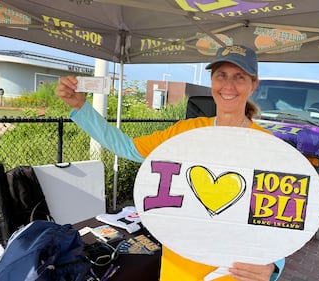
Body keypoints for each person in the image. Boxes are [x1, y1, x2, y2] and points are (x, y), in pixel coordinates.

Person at [56, 45, 285, 281]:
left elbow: (282, 219)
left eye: (239, 77)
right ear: (212, 80)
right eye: (221, 75)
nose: (228, 85)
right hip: (177, 267)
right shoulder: (185, 132)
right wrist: (80, 106)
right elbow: (126, 147)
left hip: (231, 271)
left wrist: (274, 264)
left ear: (253, 84)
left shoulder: (269, 147)